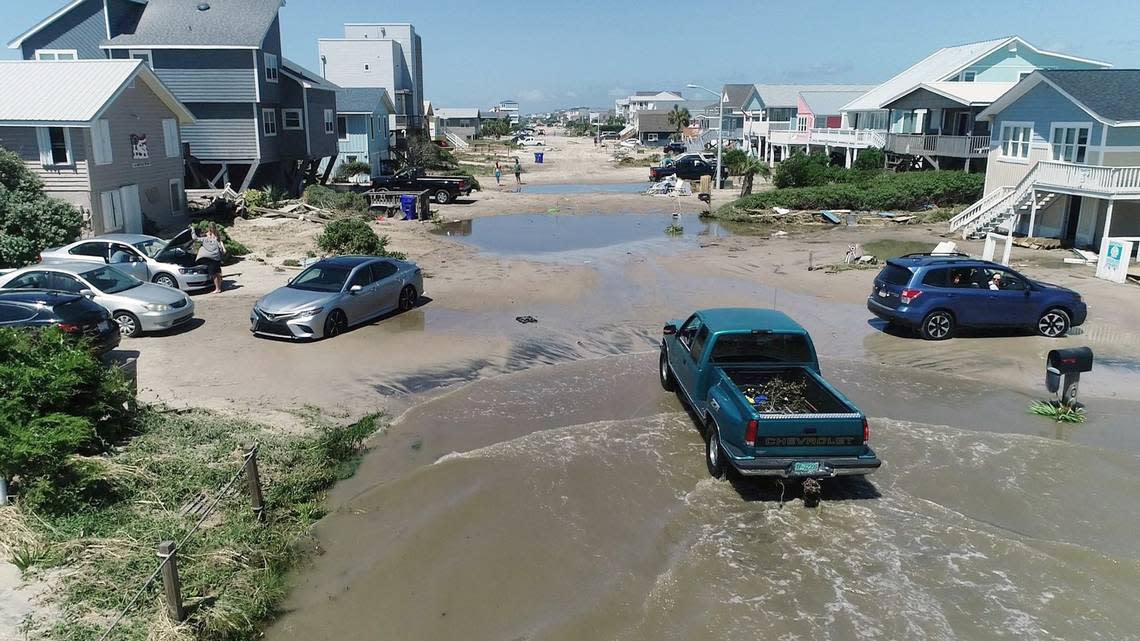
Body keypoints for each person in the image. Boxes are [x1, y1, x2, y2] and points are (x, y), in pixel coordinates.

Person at [194, 223, 227, 293]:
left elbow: (196, 239)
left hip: (213, 257)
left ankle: (217, 289)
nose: (212, 230)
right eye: (211, 228)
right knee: (217, 273)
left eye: (213, 228)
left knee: (215, 273)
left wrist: (223, 248)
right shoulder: (208, 235)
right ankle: (219, 288)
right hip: (216, 256)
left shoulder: (214, 235)